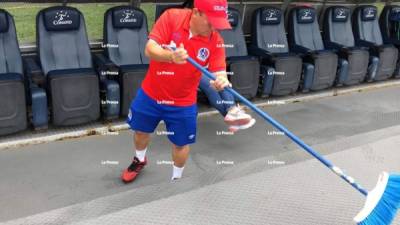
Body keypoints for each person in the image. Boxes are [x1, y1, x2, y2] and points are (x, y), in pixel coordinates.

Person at [121, 0, 255, 183]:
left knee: (181, 144)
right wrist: (170, 56)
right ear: (197, 12)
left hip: (183, 102)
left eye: (218, 24)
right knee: (140, 132)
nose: (214, 29)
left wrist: (221, 80)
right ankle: (140, 159)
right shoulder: (172, 17)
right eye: (211, 22)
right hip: (151, 94)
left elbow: (219, 70)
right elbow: (149, 49)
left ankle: (176, 180)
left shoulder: (215, 40)